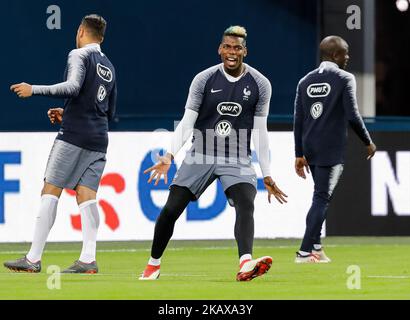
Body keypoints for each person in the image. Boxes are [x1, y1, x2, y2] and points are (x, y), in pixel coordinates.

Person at [140, 26, 287, 281]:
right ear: (220, 49)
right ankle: (153, 264)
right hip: (202, 152)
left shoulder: (260, 84)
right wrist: (169, 156)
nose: (232, 52)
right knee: (172, 208)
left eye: (237, 48)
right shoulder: (204, 79)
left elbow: (261, 133)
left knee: (245, 203)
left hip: (238, 156)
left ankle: (245, 263)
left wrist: (268, 174)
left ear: (245, 51)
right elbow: (187, 123)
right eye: (228, 47)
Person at [4, 14, 117, 273]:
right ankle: (88, 259)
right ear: (101, 36)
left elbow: (72, 87)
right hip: (99, 139)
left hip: (74, 137)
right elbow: (107, 110)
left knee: (50, 190)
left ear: (80, 31)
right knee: (87, 196)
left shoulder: (79, 55)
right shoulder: (109, 66)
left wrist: (34, 89)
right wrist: (68, 113)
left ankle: (32, 258)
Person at [293, 35, 376, 263]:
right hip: (331, 149)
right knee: (321, 198)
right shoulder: (344, 78)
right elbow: (352, 115)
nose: (348, 57)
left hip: (310, 148)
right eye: (345, 53)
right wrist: (368, 141)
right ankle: (303, 252)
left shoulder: (304, 81)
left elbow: (298, 120)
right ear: (335, 55)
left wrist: (298, 154)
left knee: (319, 195)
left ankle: (317, 248)